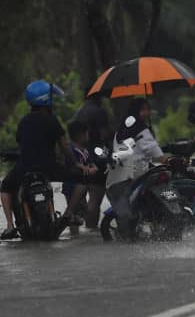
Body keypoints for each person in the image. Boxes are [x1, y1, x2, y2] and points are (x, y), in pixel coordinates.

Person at [1, 81, 80, 239]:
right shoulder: (52, 120)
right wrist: (75, 163)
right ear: (46, 99)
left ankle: (9, 226)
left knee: (4, 187)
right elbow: (64, 146)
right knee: (80, 180)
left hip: (24, 169)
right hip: (49, 168)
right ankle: (69, 214)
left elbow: (22, 144)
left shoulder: (24, 122)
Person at [105, 98, 170, 237]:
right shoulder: (140, 129)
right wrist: (167, 160)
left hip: (121, 172)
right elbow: (154, 151)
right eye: (143, 110)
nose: (147, 113)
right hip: (136, 171)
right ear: (136, 111)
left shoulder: (123, 127)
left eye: (148, 109)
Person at [72, 90, 110, 229]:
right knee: (95, 198)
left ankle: (76, 231)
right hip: (96, 157)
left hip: (79, 156)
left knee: (77, 199)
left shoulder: (78, 112)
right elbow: (104, 135)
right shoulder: (99, 112)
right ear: (98, 97)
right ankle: (91, 230)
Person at [62, 121, 97, 231]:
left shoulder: (85, 151)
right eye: (87, 133)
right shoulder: (71, 150)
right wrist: (85, 168)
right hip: (71, 185)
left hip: (82, 187)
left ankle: (76, 233)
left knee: (82, 211)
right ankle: (73, 233)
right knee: (73, 213)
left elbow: (92, 164)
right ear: (80, 135)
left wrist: (93, 169)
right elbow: (71, 166)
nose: (88, 136)